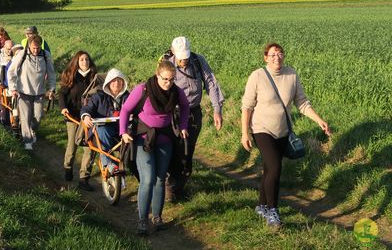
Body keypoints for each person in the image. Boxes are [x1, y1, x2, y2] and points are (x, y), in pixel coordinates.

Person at [241, 42, 331, 229]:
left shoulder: (291, 75)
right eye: (273, 55)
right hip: (261, 129)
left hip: (283, 131)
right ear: (265, 57)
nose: (277, 57)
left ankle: (261, 205)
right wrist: (245, 133)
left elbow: (302, 103)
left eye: (280, 54)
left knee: (269, 169)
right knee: (275, 168)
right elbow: (247, 107)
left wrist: (319, 120)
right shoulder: (257, 76)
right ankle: (273, 212)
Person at [120, 60, 190, 235]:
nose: (168, 83)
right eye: (165, 79)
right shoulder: (143, 90)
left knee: (160, 179)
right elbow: (125, 110)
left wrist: (183, 126)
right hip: (143, 139)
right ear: (157, 75)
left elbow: (185, 106)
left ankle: (157, 218)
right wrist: (123, 132)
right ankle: (142, 220)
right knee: (148, 179)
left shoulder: (176, 92)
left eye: (172, 79)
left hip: (165, 139)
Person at [160, 36, 225, 201]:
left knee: (188, 150)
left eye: (186, 57)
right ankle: (168, 190)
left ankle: (179, 187)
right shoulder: (166, 65)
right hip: (172, 114)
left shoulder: (198, 61)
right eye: (181, 57)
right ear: (174, 52)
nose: (184, 61)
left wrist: (217, 110)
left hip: (193, 113)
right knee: (173, 149)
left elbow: (211, 83)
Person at [8, 34, 56, 150]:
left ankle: (32, 130)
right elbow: (11, 72)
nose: (36, 50)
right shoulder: (22, 54)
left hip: (39, 92)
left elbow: (51, 73)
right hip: (23, 91)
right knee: (25, 117)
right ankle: (27, 141)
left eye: (38, 48)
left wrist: (51, 89)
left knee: (38, 116)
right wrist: (13, 88)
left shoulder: (46, 55)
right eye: (34, 48)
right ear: (29, 45)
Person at [59, 51, 98, 190]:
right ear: (77, 61)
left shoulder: (95, 77)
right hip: (74, 116)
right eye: (81, 60)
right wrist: (63, 108)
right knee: (72, 145)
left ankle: (84, 178)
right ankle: (68, 166)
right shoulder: (71, 76)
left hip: (89, 117)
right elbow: (62, 94)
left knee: (90, 147)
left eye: (87, 59)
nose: (85, 62)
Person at [80, 68, 129, 179]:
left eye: (119, 80)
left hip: (122, 130)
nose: (116, 83)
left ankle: (131, 163)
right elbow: (86, 108)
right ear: (108, 83)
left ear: (123, 82)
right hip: (103, 131)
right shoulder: (99, 97)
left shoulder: (128, 97)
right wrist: (86, 116)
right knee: (103, 130)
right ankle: (108, 164)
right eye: (113, 81)